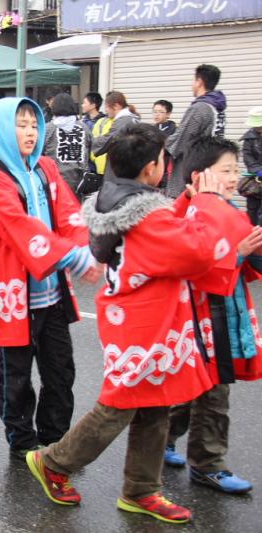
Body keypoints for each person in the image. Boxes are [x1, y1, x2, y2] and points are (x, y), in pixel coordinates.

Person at [27, 123, 241, 525]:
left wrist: (186, 203)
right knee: (120, 404)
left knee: (155, 402)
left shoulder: (123, 200)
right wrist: (210, 202)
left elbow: (162, 236)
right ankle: (53, 461)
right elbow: (196, 252)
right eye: (163, 159)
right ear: (151, 169)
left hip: (138, 316)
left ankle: (142, 489)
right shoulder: (147, 213)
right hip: (146, 322)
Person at [0, 97, 100, 460]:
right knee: (16, 377)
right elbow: (21, 228)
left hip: (52, 294)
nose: (30, 132)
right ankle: (21, 442)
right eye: (21, 125)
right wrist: (74, 256)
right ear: (1, 130)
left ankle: (54, 441)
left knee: (61, 372)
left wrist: (85, 249)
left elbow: (68, 216)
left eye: (34, 124)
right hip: (15, 295)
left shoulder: (45, 168)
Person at [163, 137, 261, 495]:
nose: (234, 177)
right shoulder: (201, 210)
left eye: (236, 169)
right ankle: (208, 464)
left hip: (222, 311)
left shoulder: (218, 206)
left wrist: (246, 254)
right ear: (201, 175)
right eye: (226, 170)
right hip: (207, 316)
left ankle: (164, 441)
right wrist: (237, 254)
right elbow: (195, 263)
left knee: (198, 388)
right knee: (213, 392)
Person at [166, 64, 226, 198]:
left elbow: (181, 139)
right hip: (208, 167)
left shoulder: (200, 108)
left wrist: (161, 143)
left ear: (199, 82)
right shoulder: (218, 108)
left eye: (194, 80)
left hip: (189, 172)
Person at [44, 93, 92, 194]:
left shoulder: (48, 128)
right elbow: (90, 149)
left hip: (54, 180)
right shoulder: (84, 128)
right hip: (79, 181)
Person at [91, 91, 140, 178]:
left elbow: (109, 139)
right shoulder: (133, 119)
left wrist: (89, 142)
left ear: (116, 106)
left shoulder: (123, 121)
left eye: (107, 107)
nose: (106, 110)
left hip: (122, 169)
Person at [240, 107, 262, 225]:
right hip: (255, 181)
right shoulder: (249, 138)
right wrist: (258, 170)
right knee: (252, 211)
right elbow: (247, 157)